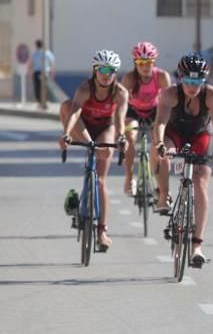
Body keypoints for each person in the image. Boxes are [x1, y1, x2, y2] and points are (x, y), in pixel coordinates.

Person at [153, 54, 213, 268]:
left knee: (200, 183)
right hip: (174, 133)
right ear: (180, 78)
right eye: (188, 81)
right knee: (165, 153)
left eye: (198, 82)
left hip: (200, 135)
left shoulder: (212, 96)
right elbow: (159, 123)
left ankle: (197, 246)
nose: (193, 86)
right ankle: (163, 196)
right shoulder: (170, 94)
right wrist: (160, 144)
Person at [58, 50, 129, 251]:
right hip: (84, 128)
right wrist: (66, 134)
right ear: (95, 70)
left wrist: (122, 137)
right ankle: (89, 147)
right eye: (103, 70)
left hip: (105, 128)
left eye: (112, 70)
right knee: (66, 106)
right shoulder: (85, 88)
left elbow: (120, 119)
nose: (107, 74)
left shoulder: (120, 92)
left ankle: (102, 231)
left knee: (100, 179)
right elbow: (75, 113)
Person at [120, 42, 171, 196]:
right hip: (133, 111)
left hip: (154, 111)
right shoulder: (129, 78)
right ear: (135, 63)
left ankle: (158, 182)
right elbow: (121, 103)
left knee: (157, 142)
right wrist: (120, 126)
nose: (145, 67)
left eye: (148, 63)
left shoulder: (161, 76)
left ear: (153, 62)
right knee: (130, 140)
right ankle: (129, 178)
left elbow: (169, 102)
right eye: (141, 63)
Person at [30, 39, 56, 109]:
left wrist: (31, 74)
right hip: (45, 72)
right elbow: (52, 63)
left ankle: (40, 102)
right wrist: (53, 73)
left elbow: (31, 65)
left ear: (36, 45)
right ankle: (44, 101)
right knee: (45, 87)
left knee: (37, 88)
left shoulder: (34, 54)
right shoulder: (47, 53)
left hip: (37, 72)